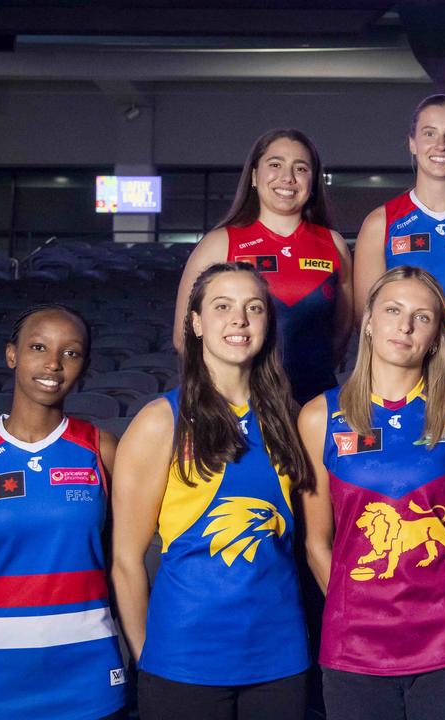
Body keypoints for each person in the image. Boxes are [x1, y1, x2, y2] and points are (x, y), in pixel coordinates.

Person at [115, 263, 313, 720]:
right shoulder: (160, 421)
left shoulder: (292, 418)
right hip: (183, 662)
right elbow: (126, 560)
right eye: (222, 307)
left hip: (280, 660)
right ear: (197, 323)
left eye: (254, 308)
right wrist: (150, 656)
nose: (239, 319)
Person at [299, 266, 445, 720]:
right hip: (355, 643)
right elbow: (317, 543)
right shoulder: (319, 416)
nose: (404, 326)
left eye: (422, 317)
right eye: (393, 311)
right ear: (368, 321)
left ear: (437, 336)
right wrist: (358, 607)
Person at [0, 305, 125, 720]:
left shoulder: (101, 450)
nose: (53, 364)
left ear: (84, 366)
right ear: (12, 355)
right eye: (38, 347)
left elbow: (123, 565)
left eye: (71, 353)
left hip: (88, 677)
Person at [174, 128, 353, 405]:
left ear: (313, 181)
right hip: (241, 407)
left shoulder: (334, 244)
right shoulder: (219, 244)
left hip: (315, 404)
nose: (288, 177)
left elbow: (340, 334)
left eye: (301, 168)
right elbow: (184, 336)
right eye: (275, 164)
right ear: (255, 176)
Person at [354, 95, 445, 394]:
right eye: (429, 133)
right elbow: (366, 319)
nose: (441, 146)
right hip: (405, 365)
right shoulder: (381, 223)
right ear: (412, 142)